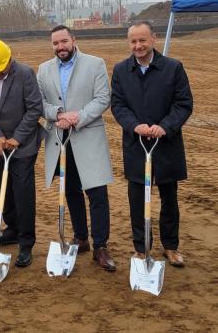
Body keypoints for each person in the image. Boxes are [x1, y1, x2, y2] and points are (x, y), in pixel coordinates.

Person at [111, 21, 193, 267]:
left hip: (166, 144)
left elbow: (183, 103)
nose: (138, 46)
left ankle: (170, 246)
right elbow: (118, 105)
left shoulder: (173, 68)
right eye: (133, 41)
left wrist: (165, 127)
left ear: (153, 39)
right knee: (137, 198)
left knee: (169, 198)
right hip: (137, 145)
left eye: (142, 40)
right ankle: (141, 247)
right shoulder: (121, 70)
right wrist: (134, 125)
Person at [37, 25, 116, 271]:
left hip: (87, 136)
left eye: (63, 41)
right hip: (60, 138)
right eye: (55, 43)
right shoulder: (44, 69)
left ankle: (100, 246)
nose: (60, 47)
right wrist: (58, 114)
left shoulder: (95, 64)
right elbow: (39, 102)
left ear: (74, 39)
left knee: (97, 193)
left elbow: (103, 98)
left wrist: (77, 117)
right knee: (70, 190)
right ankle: (81, 238)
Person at [0, 39, 43, 267]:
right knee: (4, 189)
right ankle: (12, 228)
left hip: (23, 145)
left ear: (9, 60)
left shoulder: (25, 73)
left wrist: (17, 138)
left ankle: (26, 242)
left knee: (23, 192)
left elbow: (35, 108)